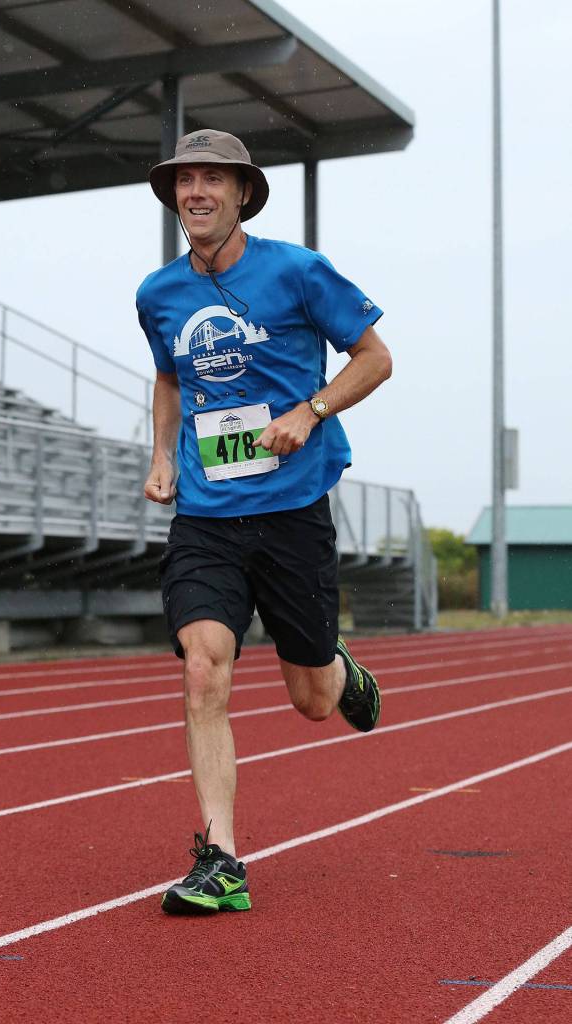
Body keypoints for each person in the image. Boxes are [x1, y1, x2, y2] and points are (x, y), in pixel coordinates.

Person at [136, 130, 392, 916]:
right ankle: (220, 860)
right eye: (186, 181)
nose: (197, 192)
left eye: (214, 179)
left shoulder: (296, 270)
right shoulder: (158, 294)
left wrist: (309, 412)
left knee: (310, 699)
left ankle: (339, 669)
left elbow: (374, 358)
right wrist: (162, 458)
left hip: (290, 512)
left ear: (242, 194)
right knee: (202, 665)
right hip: (207, 516)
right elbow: (170, 377)